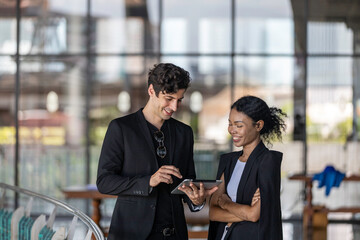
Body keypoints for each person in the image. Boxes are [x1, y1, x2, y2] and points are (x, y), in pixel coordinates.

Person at [96, 63, 218, 240]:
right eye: (169, 98)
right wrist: (149, 181)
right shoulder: (121, 128)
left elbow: (186, 181)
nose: (174, 107)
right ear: (151, 90)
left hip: (174, 234)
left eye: (179, 99)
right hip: (131, 234)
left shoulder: (184, 133)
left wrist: (196, 201)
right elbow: (104, 182)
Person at [208, 95, 286, 240]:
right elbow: (213, 213)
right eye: (230, 124)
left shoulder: (268, 161)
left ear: (258, 126)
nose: (232, 130)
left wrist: (225, 203)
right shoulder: (228, 161)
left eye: (239, 125)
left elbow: (253, 215)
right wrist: (244, 212)